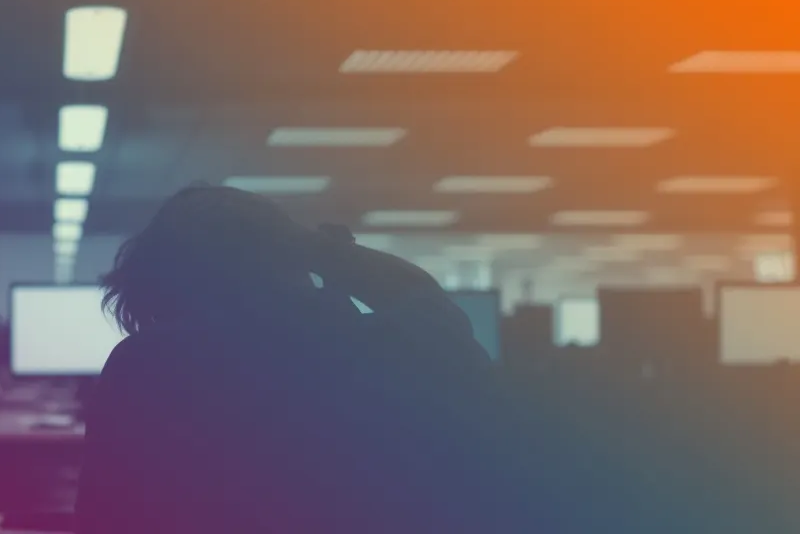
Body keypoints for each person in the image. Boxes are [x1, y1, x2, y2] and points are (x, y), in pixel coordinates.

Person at [75, 185, 592, 534]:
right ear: (294, 262)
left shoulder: (145, 368)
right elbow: (427, 304)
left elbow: (105, 517)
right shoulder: (385, 349)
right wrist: (323, 250)